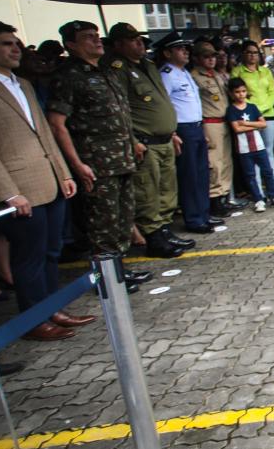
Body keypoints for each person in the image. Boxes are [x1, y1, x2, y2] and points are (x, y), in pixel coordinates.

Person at [0, 19, 93, 341]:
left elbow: (44, 132)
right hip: (18, 189)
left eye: (15, 42)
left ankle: (52, 308)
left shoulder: (23, 84)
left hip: (49, 181)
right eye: (5, 43)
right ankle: (34, 319)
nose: (15, 49)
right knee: (28, 256)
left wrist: (63, 173)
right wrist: (7, 192)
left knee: (51, 251)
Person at [45, 21, 146, 288]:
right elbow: (57, 124)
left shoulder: (106, 71)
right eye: (87, 38)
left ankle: (120, 271)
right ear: (71, 45)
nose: (96, 40)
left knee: (122, 219)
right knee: (102, 224)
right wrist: (77, 164)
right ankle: (108, 281)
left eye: (96, 36)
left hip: (121, 158)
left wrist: (133, 141)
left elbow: (120, 114)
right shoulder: (68, 76)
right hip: (97, 163)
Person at [103, 23, 192, 259]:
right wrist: (131, 139)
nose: (140, 44)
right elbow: (119, 108)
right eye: (133, 40)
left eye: (140, 40)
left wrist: (171, 132)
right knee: (147, 191)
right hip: (145, 140)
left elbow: (160, 102)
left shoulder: (148, 66)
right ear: (118, 44)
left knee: (166, 189)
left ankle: (164, 231)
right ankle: (154, 238)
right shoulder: (117, 69)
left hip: (163, 138)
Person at [158, 32, 221, 234]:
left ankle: (203, 214)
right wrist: (172, 132)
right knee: (190, 176)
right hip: (182, 129)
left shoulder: (184, 72)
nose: (185, 52)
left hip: (195, 126)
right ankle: (194, 219)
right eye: (179, 49)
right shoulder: (167, 74)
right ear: (167, 53)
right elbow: (165, 105)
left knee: (202, 174)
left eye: (186, 48)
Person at [191, 42, 241, 217]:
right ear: (196, 58)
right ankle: (214, 199)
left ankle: (224, 196)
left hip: (224, 121)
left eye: (213, 56)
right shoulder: (195, 77)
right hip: (210, 123)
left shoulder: (217, 75)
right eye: (206, 56)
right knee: (214, 163)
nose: (211, 59)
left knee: (226, 162)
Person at [225, 78, 274, 213]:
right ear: (231, 93)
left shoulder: (252, 107)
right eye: (237, 92)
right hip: (244, 148)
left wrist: (246, 124)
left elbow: (263, 124)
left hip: (259, 145)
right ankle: (258, 199)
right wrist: (254, 125)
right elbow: (237, 129)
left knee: (268, 171)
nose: (241, 94)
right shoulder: (231, 110)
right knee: (250, 175)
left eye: (243, 91)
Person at [231, 38, 274, 202]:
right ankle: (258, 193)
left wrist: (264, 107)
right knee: (252, 154)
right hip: (247, 117)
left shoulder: (265, 71)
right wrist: (253, 110)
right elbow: (236, 93)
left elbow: (272, 91)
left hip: (268, 114)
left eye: (255, 53)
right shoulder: (237, 71)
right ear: (243, 54)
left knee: (268, 152)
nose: (253, 56)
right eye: (249, 53)